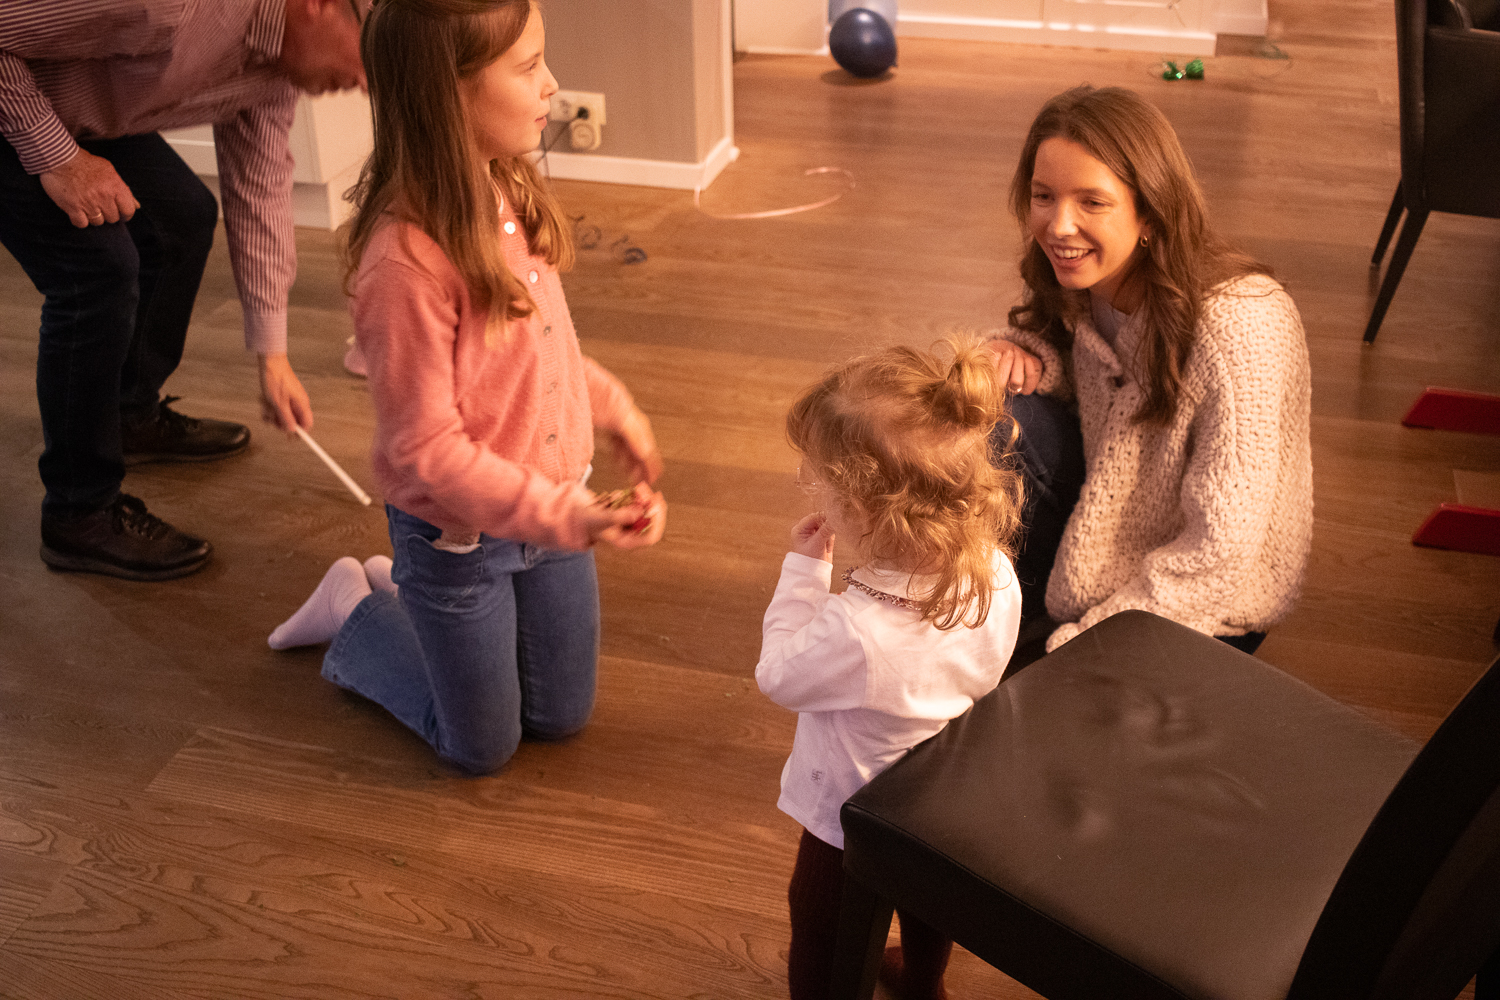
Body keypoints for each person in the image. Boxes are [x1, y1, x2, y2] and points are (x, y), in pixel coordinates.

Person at [266, 0, 668, 776]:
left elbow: (538, 356)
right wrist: (564, 515)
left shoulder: (506, 193)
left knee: (560, 717)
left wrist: (612, 408)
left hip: (548, 513)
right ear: (448, 92)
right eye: (529, 67)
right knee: (481, 747)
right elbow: (425, 448)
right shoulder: (403, 265)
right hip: (457, 543)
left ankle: (408, 606)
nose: (552, 85)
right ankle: (356, 606)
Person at [0, 0, 369, 580]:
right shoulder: (170, 6)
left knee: (182, 219)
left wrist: (273, 357)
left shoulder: (275, 72)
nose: (367, 84)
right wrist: (58, 158)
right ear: (321, 6)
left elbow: (259, 191)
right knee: (99, 269)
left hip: (68, 106)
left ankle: (126, 414)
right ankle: (78, 513)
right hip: (16, 106)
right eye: (370, 51)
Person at [987, 85, 1313, 662]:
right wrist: (1018, 352)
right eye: (1043, 196)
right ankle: (988, 617)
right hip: (1103, 534)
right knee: (991, 410)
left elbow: (1221, 553)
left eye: (1092, 202)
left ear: (1150, 211)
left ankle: (1021, 633)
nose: (1059, 226)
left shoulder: (1242, 324)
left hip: (1204, 603)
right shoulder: (1082, 279)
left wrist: (1083, 645)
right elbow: (1086, 363)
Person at [757, 337, 1023, 1000]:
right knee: (929, 902)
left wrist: (805, 574)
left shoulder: (858, 629)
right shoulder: (995, 571)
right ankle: (924, 983)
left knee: (820, 924)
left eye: (821, 483)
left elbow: (778, 675)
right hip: (940, 795)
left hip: (848, 811)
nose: (814, 491)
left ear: (864, 512)